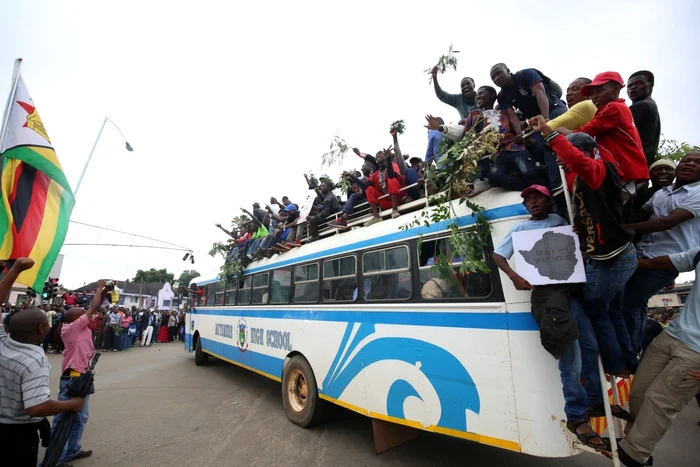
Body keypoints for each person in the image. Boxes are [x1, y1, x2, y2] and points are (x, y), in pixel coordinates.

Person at [491, 186, 611, 451]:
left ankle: (594, 400)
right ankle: (577, 417)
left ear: (548, 200)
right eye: (527, 200)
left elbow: (574, 252)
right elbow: (498, 255)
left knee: (590, 347)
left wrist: (577, 236)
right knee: (570, 356)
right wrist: (515, 277)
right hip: (547, 298)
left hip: (570, 292)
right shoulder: (520, 230)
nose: (532, 202)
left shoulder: (559, 223)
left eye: (537, 197)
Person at [530, 116, 639, 376]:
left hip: (613, 258)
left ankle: (616, 366)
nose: (559, 158)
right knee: (611, 309)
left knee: (594, 309)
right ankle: (629, 362)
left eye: (565, 152)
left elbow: (577, 161)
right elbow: (590, 209)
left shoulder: (599, 169)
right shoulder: (581, 179)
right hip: (607, 256)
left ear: (585, 153)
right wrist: (581, 226)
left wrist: (548, 132)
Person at [617, 247, 700, 467]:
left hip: (695, 353)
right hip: (670, 336)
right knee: (639, 393)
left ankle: (635, 454)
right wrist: (620, 259)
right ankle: (632, 443)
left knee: (659, 401)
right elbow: (657, 264)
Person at [0, 258, 85, 467]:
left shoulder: (3, 340)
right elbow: (36, 407)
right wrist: (72, 405)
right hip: (17, 433)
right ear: (40, 329)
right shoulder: (33, 361)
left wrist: (15, 270)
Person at [622, 152, 700, 352]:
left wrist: (621, 229)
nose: (690, 164)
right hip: (641, 256)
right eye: (686, 160)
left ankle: (627, 352)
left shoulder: (697, 193)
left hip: (667, 261)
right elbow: (641, 214)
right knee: (638, 305)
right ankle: (636, 346)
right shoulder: (661, 193)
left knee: (628, 304)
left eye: (697, 162)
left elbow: (668, 222)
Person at [426, 85, 545, 194]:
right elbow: (467, 136)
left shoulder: (504, 112)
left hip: (514, 148)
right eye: (476, 95)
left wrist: (523, 135)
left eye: (481, 94)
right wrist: (441, 128)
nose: (477, 97)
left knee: (529, 172)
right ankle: (529, 188)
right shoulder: (473, 115)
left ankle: (546, 196)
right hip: (495, 155)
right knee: (495, 177)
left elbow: (518, 127)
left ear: (492, 95)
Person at [555, 72, 649, 189]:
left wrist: (556, 131)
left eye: (600, 91)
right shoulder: (618, 108)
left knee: (612, 204)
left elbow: (584, 133)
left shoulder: (613, 107)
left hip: (620, 169)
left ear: (616, 90)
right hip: (623, 171)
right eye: (592, 94)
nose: (594, 96)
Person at [50, 279, 109, 465]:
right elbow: (93, 307)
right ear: (76, 320)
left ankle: (72, 450)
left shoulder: (82, 328)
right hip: (72, 378)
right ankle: (57, 457)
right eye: (83, 315)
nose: (89, 316)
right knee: (63, 417)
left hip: (81, 377)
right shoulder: (71, 329)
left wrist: (105, 292)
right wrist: (99, 288)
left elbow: (99, 312)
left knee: (81, 417)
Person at [490, 64, 567, 190]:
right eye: (493, 77)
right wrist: (520, 134)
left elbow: (540, 93)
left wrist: (546, 119)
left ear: (508, 71)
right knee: (538, 147)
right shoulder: (502, 96)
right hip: (535, 120)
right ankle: (552, 182)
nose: (496, 78)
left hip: (553, 110)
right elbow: (512, 115)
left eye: (499, 73)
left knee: (551, 138)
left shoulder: (526, 74)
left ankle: (558, 180)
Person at [628, 70, 661, 166]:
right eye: (630, 86)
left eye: (638, 83)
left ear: (651, 85)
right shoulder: (651, 105)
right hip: (642, 163)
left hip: (632, 163)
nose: (633, 88)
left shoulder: (642, 105)